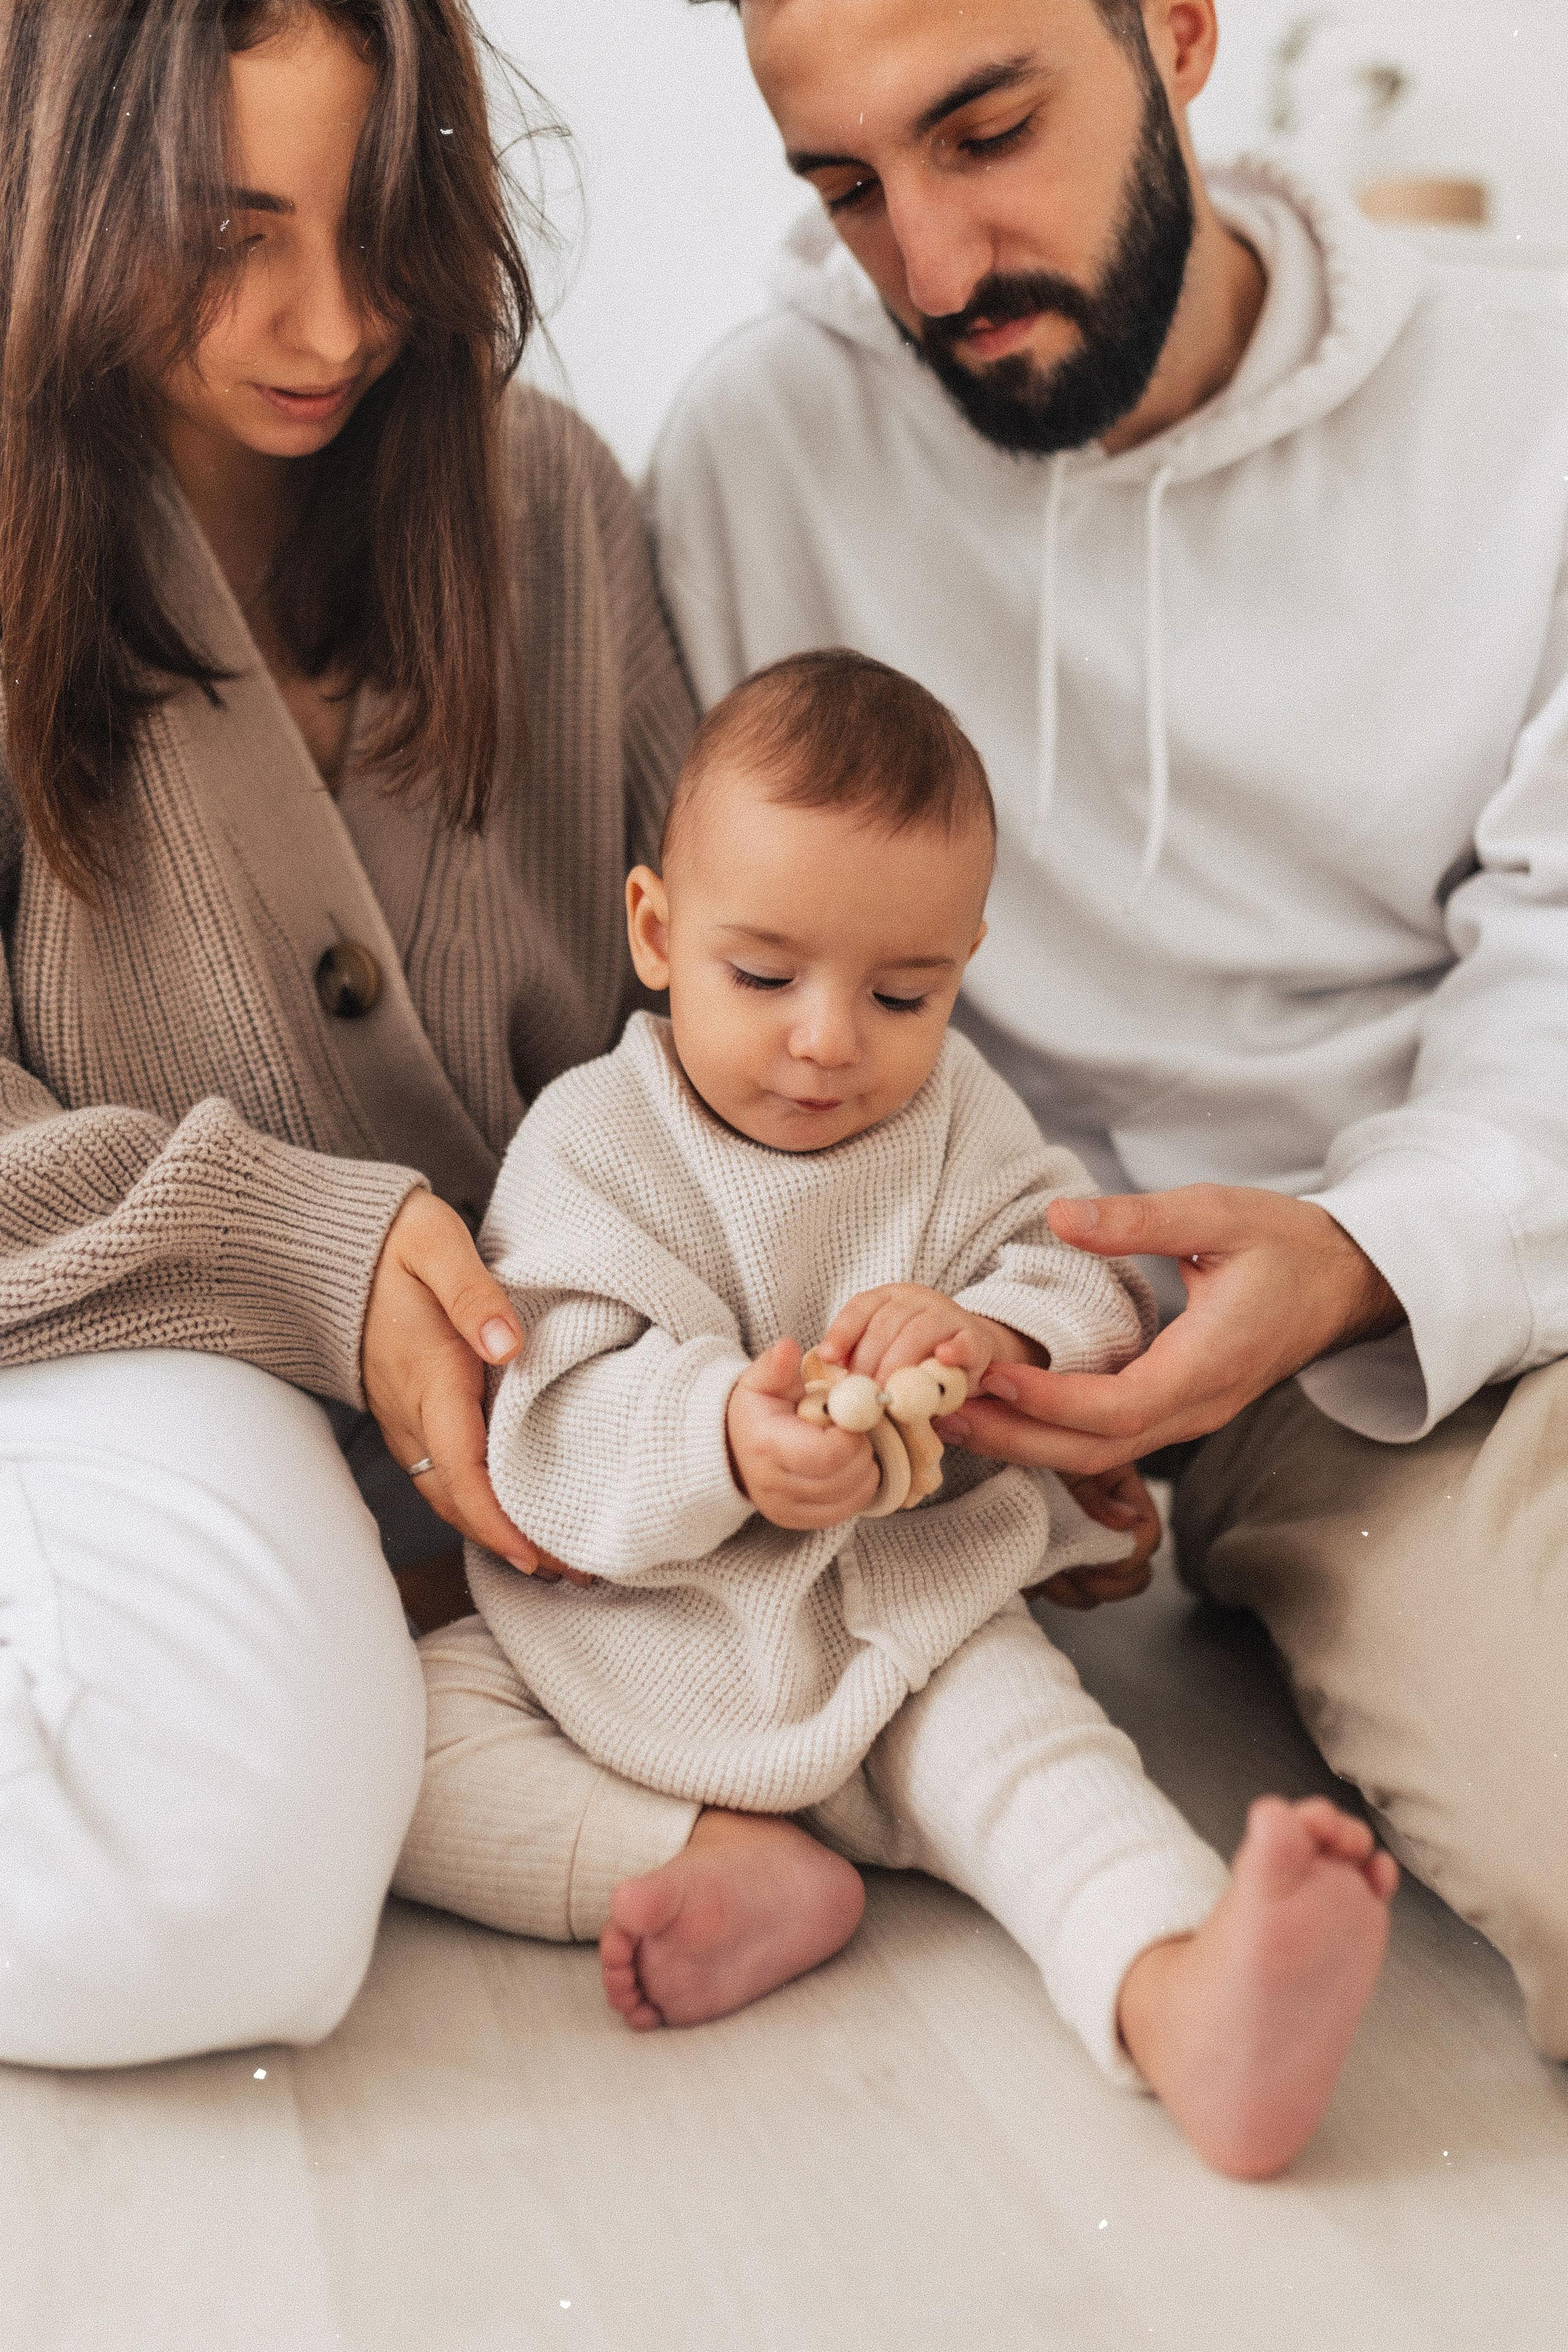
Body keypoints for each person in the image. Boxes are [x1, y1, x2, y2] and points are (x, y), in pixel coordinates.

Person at [649, 0, 1568, 2055]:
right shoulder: (754, 456)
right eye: (846, 187)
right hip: (982, 1342)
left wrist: (1360, 1258)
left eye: (987, 134)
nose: (935, 269)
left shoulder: (1532, 416)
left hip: (1436, 1291)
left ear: (1178, 33)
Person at [394, 651, 1397, 2184]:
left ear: (961, 967)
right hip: (628, 1644)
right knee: (402, 1748)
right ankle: (712, 1862)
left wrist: (985, 1329)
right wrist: (719, 1433)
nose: (826, 1039)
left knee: (1038, 1765)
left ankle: (1178, 1990)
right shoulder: (592, 1141)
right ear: (655, 933)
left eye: (901, 992)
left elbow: (1083, 1283)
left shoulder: (957, 1122)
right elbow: (548, 1406)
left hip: (902, 1623)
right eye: (764, 976)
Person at [0, 0, 691, 2068]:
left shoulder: (549, 501)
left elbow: (705, 1003)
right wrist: (308, 1245)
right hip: (126, 1333)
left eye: (381, 227)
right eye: (227, 239)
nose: (329, 323)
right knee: (234, 1900)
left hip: (551, 1388)